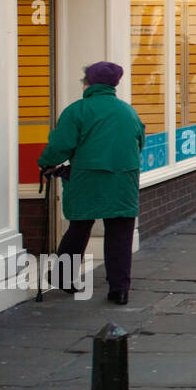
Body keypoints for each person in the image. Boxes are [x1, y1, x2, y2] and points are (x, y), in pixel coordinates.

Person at [38, 62, 144, 304]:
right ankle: (119, 289)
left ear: (89, 83)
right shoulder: (128, 111)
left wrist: (46, 163)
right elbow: (139, 142)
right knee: (120, 232)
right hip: (123, 178)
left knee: (79, 227)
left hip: (87, 178)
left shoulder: (78, 111)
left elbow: (60, 145)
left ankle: (64, 276)